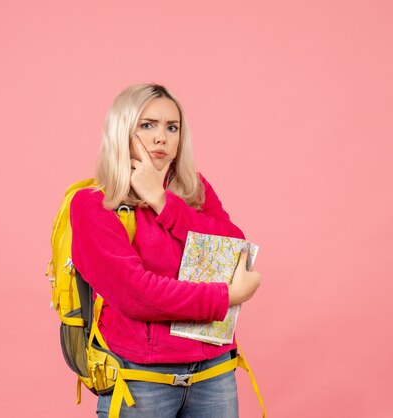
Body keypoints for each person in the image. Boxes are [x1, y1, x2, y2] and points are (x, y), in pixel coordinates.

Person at [70, 83, 261, 418]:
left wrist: (162, 200)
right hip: (142, 382)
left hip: (214, 374)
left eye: (172, 127)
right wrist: (225, 297)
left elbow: (232, 249)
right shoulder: (93, 204)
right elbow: (137, 294)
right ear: (122, 131)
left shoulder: (196, 189)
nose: (161, 137)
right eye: (147, 125)